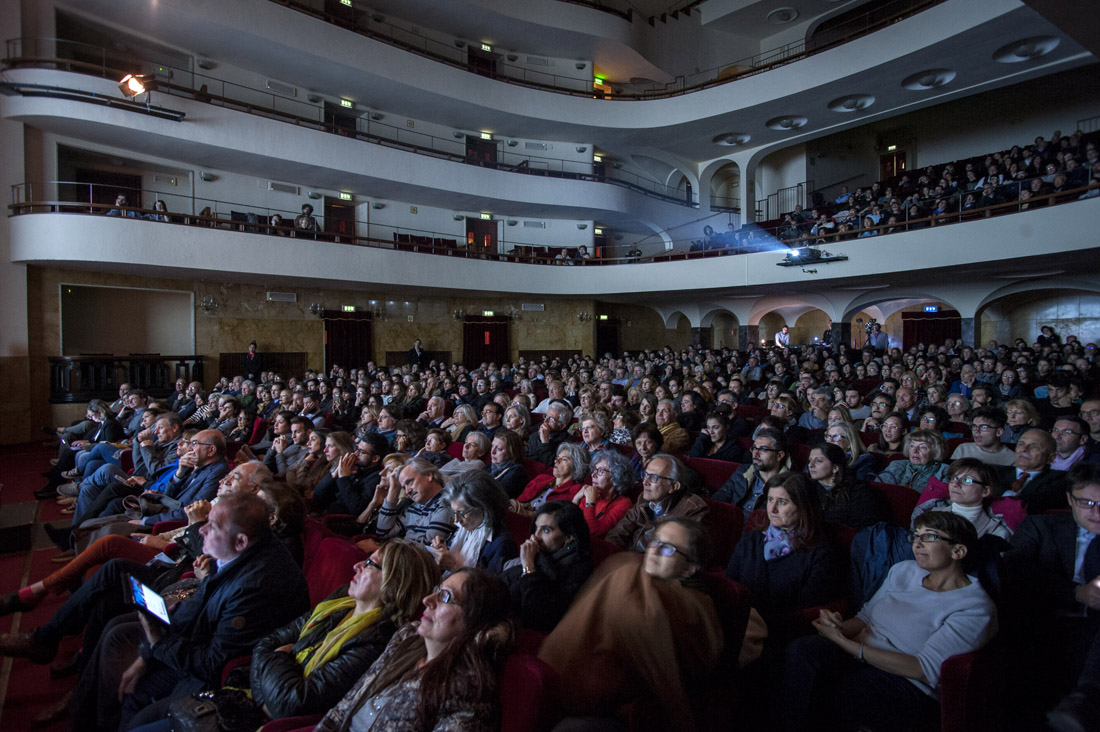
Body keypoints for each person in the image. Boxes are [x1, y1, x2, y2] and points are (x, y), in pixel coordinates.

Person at [70, 493, 310, 731]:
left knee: (138, 717)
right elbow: (195, 606)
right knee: (126, 667)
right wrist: (147, 654)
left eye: (212, 525)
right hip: (194, 645)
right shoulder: (237, 552)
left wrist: (160, 644)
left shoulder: (255, 587)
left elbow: (214, 664)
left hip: (221, 680)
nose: (201, 530)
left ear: (240, 541)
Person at [782, 511, 997, 732]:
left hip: (907, 681)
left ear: (958, 550)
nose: (917, 543)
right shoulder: (903, 570)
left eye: (929, 537)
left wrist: (844, 642)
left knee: (846, 693)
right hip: (861, 653)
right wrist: (837, 627)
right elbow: (865, 618)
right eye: (916, 535)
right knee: (803, 651)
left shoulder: (975, 606)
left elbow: (925, 669)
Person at [540, 518, 724, 730]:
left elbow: (694, 657)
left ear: (690, 568)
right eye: (655, 541)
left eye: (668, 548)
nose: (653, 551)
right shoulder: (631, 576)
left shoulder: (693, 608)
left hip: (627, 710)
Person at [247, 539, 441, 723]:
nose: (357, 566)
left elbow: (294, 703)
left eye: (370, 564)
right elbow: (265, 644)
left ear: (393, 582)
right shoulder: (341, 599)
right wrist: (264, 702)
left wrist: (277, 658)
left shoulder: (376, 643)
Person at [313, 568, 514, 732]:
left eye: (445, 596)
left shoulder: (469, 694)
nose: (427, 599)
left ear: (474, 621)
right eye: (438, 589)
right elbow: (346, 707)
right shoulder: (407, 641)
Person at [501, 501, 594, 632]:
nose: (535, 536)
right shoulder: (542, 553)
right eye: (536, 528)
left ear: (568, 537)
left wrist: (528, 567)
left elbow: (541, 614)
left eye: (546, 530)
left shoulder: (578, 568)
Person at [605, 453, 708, 553]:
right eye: (645, 475)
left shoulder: (693, 509)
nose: (645, 482)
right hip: (629, 560)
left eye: (653, 478)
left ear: (673, 486)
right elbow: (619, 532)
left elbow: (675, 556)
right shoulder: (643, 499)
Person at [430, 471, 517, 574]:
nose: (456, 520)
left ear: (484, 508)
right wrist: (441, 549)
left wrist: (453, 566)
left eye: (461, 513)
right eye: (454, 513)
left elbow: (491, 588)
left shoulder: (501, 544)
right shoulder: (466, 529)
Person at [911, 458, 1013, 539]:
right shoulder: (929, 514)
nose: (955, 484)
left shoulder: (996, 533)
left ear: (985, 491)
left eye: (967, 480)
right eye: (954, 478)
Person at [806, 443, 883, 529]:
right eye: (810, 460)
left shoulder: (858, 491)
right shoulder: (808, 487)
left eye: (818, 460)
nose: (810, 465)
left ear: (835, 468)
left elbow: (866, 527)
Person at [713, 428, 788, 510]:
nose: (755, 454)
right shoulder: (743, 471)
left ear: (779, 455)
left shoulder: (789, 484)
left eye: (763, 449)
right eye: (754, 448)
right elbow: (720, 497)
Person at [572, 448, 635, 539]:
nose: (593, 475)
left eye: (600, 471)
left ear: (616, 476)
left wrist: (590, 503)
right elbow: (567, 521)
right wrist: (576, 498)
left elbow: (594, 534)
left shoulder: (623, 504)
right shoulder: (595, 494)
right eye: (594, 470)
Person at [511, 442, 588, 515]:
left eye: (564, 459)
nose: (556, 461)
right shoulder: (541, 478)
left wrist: (525, 513)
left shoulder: (575, 490)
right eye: (557, 457)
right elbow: (520, 500)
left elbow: (556, 519)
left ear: (576, 467)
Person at [875, 429, 950, 493]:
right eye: (912, 445)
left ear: (935, 451)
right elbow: (875, 489)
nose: (914, 450)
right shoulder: (896, 465)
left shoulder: (944, 471)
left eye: (923, 447)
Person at [486, 429, 528, 499]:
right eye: (492, 446)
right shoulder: (490, 467)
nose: (492, 452)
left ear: (511, 452)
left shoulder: (517, 471)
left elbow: (495, 496)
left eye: (499, 449)